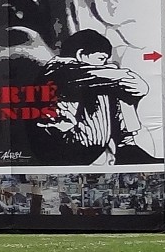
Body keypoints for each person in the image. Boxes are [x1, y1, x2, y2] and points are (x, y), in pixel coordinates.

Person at [39, 30, 158, 164]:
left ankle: (126, 144)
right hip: (62, 143)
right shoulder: (58, 68)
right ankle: (125, 146)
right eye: (101, 59)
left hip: (86, 141)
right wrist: (117, 72)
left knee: (109, 87)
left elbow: (139, 88)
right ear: (81, 54)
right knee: (105, 87)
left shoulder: (92, 76)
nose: (103, 64)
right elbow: (131, 83)